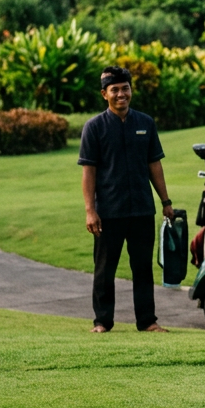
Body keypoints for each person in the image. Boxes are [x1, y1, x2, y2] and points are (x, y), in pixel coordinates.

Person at [78, 66, 173, 334]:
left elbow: (154, 165)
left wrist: (165, 201)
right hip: (108, 212)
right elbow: (89, 172)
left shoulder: (145, 123)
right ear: (104, 94)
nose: (122, 94)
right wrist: (90, 211)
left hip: (142, 208)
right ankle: (102, 322)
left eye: (125, 88)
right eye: (115, 90)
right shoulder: (94, 128)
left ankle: (147, 321)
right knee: (105, 270)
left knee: (143, 268)